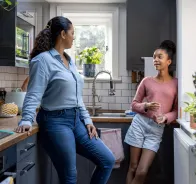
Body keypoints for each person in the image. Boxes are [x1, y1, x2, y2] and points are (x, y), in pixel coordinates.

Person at [15, 16, 115, 184]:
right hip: (55, 122)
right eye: (72, 33)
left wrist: (87, 120)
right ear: (63, 34)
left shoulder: (69, 60)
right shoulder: (43, 60)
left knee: (107, 160)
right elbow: (34, 93)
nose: (74, 37)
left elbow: (77, 97)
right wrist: (26, 118)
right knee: (70, 176)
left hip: (76, 120)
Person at [124, 40, 178, 184]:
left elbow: (177, 110)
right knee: (133, 167)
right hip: (140, 124)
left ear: (169, 61)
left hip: (156, 130)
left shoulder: (176, 83)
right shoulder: (146, 81)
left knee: (142, 172)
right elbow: (134, 105)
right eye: (154, 57)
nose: (155, 60)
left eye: (159, 57)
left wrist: (165, 118)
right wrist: (146, 105)